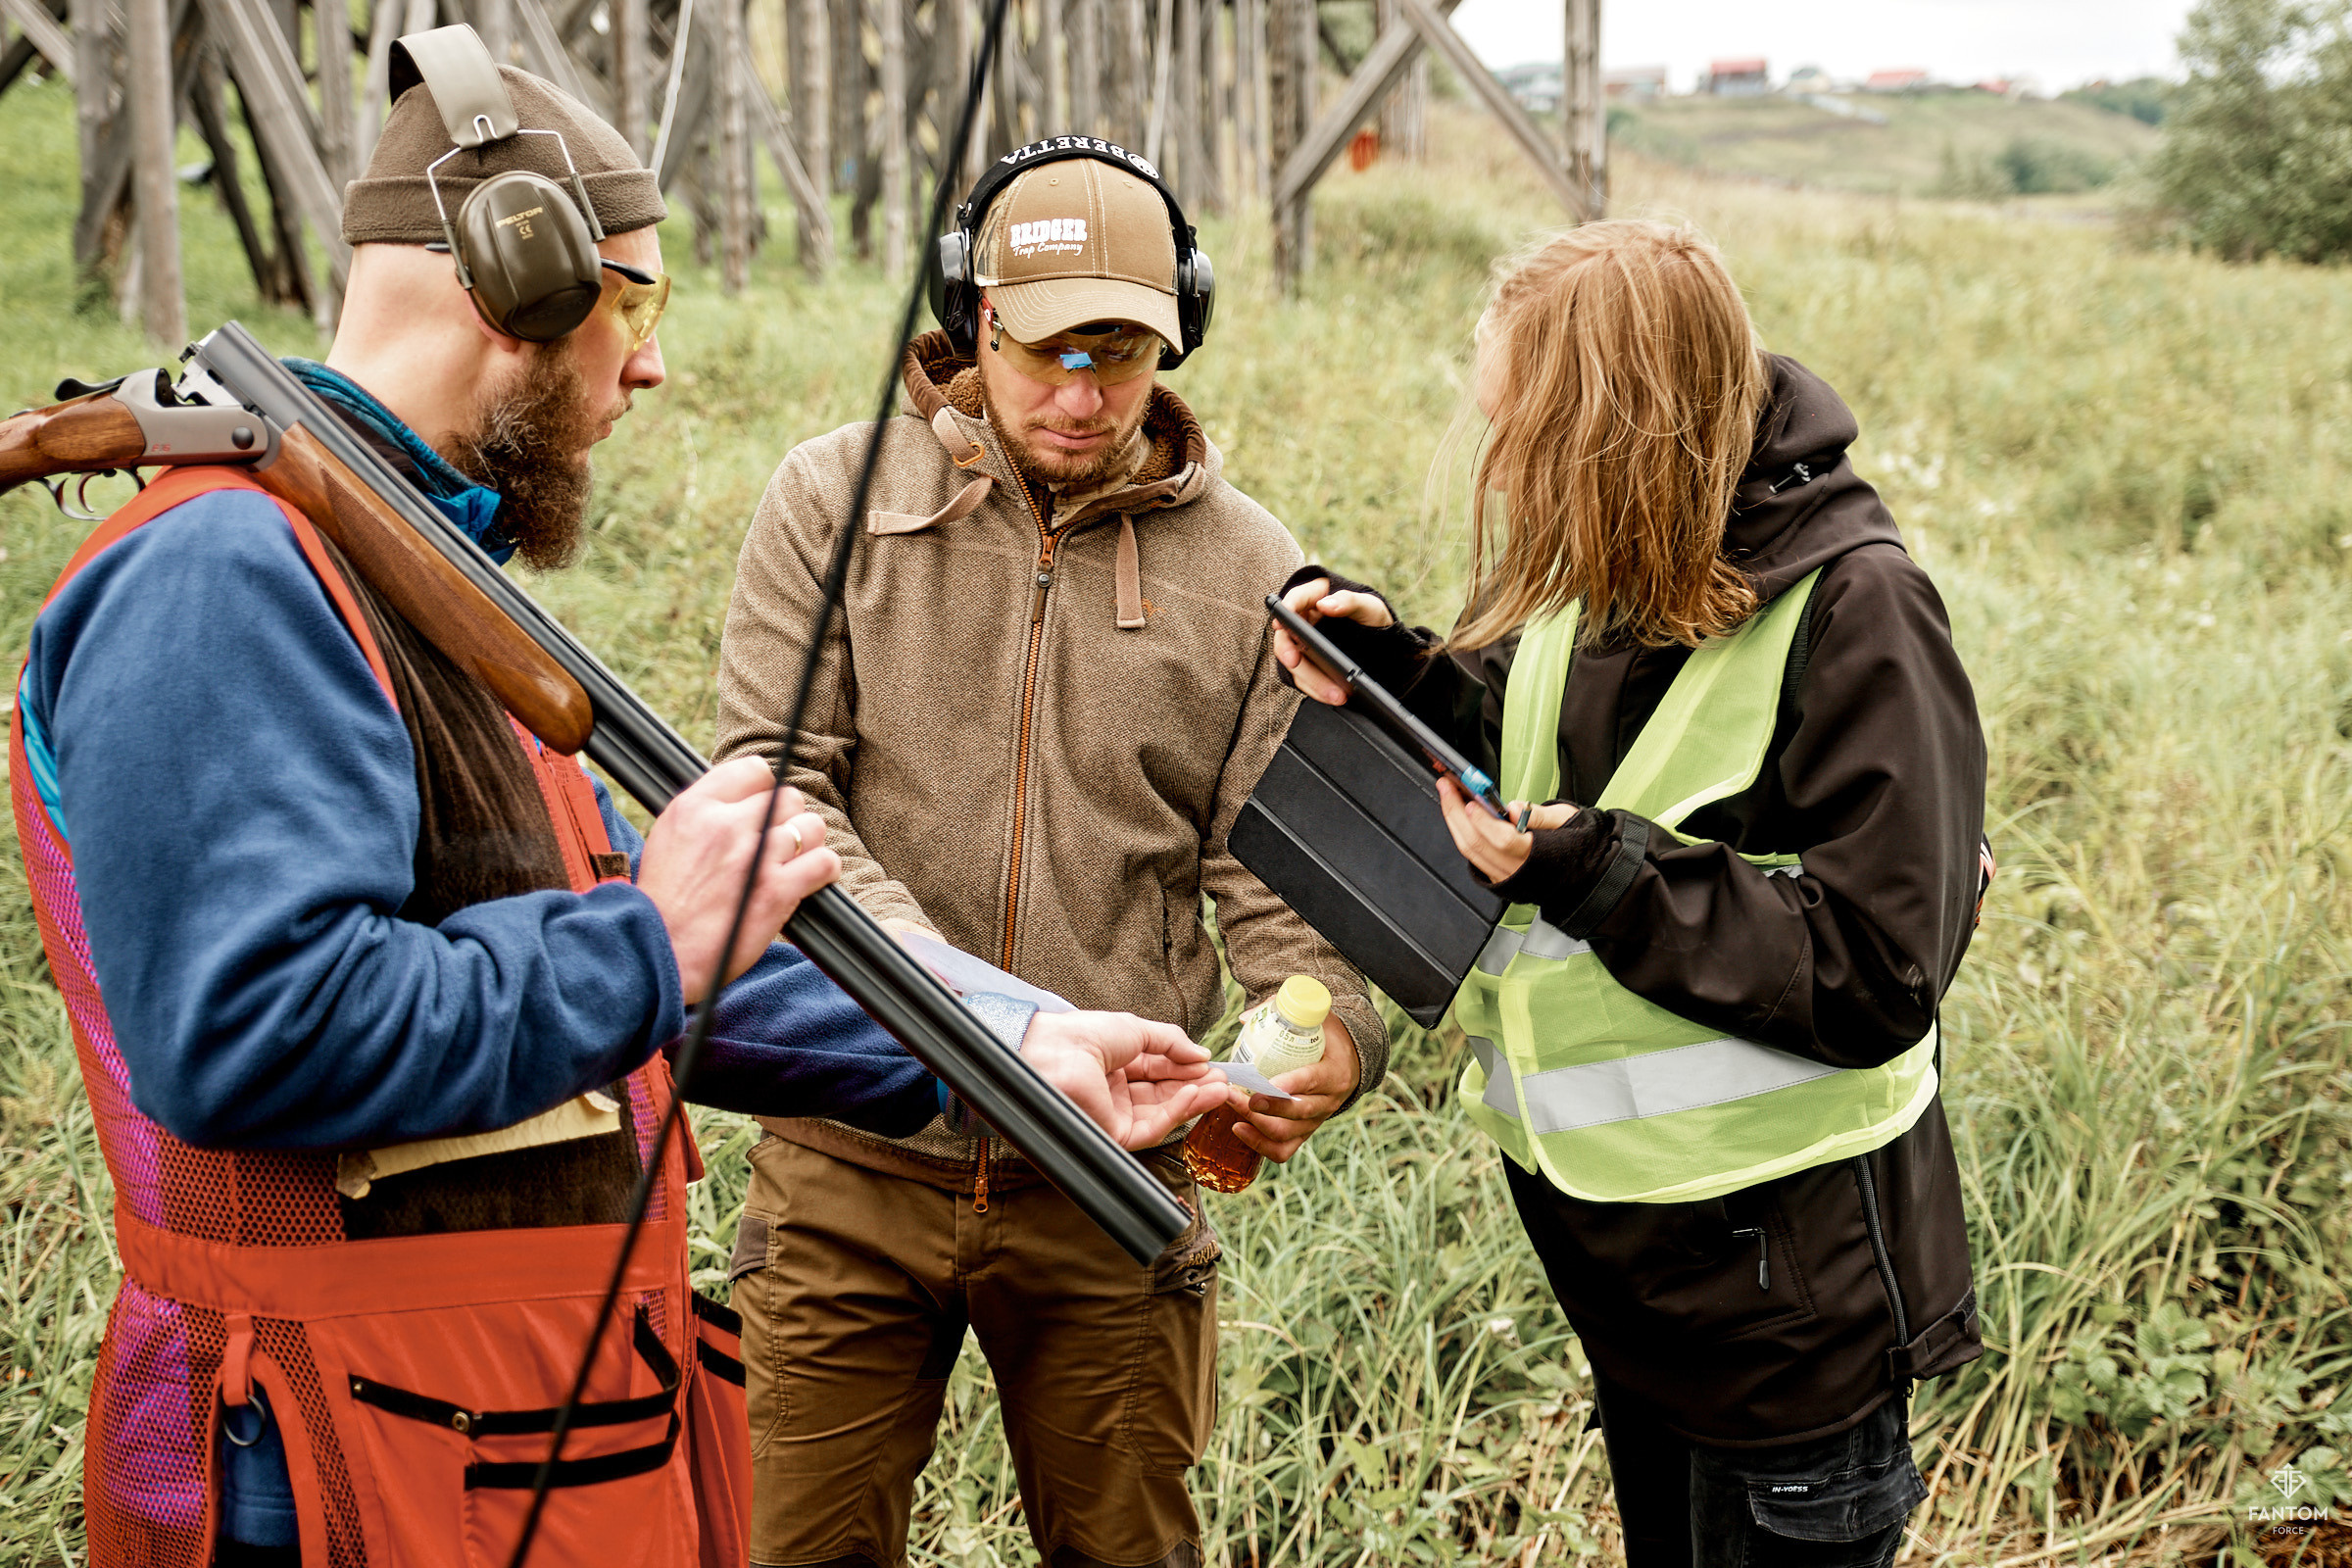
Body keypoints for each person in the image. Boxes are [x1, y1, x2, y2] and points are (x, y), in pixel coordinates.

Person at [10, 47, 1222, 1568]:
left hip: (464, 1444)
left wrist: (1022, 1047)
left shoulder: (408, 583)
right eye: (631, 303)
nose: (650, 366)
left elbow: (681, 963)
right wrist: (650, 938)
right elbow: (251, 1024)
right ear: (509, 284)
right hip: (315, 1463)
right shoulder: (224, 577)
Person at [711, 136, 1391, 1568]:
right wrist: (994, 1022)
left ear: (1180, 330)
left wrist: (1313, 1045)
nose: (1082, 397)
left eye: (1123, 355)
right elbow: (778, 796)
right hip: (850, 1161)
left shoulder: (1251, 566)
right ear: (972, 320)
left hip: (1110, 1181)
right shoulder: (832, 504)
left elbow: (1278, 889)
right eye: (1045, 353)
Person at [1272, 220, 1988, 1567]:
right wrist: (1409, 677)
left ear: (1619, 435)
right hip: (1642, 1303)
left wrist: (1592, 869)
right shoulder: (1607, 566)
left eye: (1523, 435)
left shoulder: (1861, 611)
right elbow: (1544, 749)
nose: (1499, 468)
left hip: (1791, 1345)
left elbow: (1880, 968)